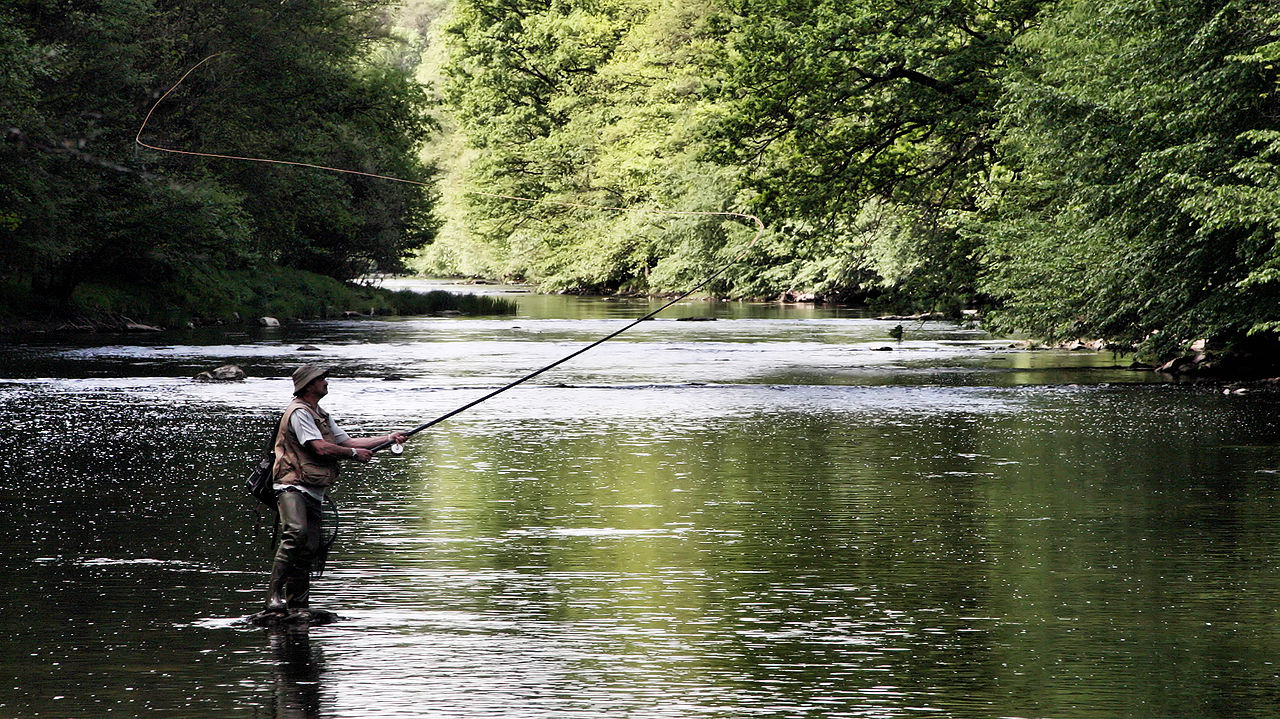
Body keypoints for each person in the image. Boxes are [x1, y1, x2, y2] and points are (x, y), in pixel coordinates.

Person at [265, 364, 409, 613]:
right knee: (295, 534)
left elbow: (348, 441)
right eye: (321, 378)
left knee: (309, 548)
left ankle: (298, 607)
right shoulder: (299, 412)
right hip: (291, 485)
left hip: (312, 488)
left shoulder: (320, 413)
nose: (326, 382)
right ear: (309, 385)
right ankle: (273, 597)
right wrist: (354, 454)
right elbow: (320, 448)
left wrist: (388, 438)